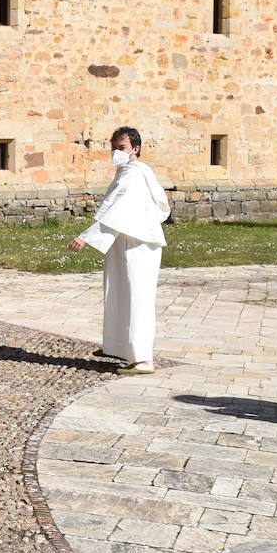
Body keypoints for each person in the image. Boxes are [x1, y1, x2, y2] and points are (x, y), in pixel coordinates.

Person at [68, 126, 171, 374]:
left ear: (136, 149)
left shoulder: (134, 174)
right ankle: (121, 347)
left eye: (121, 147)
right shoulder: (128, 171)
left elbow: (120, 209)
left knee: (136, 298)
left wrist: (86, 237)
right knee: (121, 294)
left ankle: (143, 358)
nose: (116, 152)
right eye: (113, 147)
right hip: (126, 240)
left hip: (136, 243)